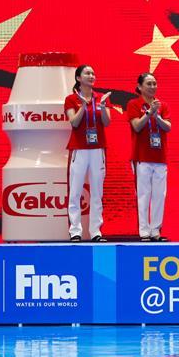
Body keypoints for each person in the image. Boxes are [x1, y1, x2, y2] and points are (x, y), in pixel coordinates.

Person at [64, 64, 112, 242]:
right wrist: (83, 106)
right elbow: (74, 123)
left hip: (97, 149)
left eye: (93, 73)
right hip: (79, 149)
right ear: (78, 78)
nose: (91, 76)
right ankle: (75, 231)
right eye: (87, 73)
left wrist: (104, 106)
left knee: (97, 192)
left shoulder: (101, 98)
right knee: (75, 191)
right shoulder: (71, 99)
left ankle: (96, 232)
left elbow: (107, 122)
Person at [126, 72, 172, 242]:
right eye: (149, 84)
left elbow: (168, 127)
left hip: (160, 156)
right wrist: (148, 113)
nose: (153, 87)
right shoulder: (133, 104)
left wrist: (156, 115)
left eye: (154, 83)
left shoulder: (162, 105)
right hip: (141, 157)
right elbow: (136, 126)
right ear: (139, 87)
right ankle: (144, 231)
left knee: (160, 195)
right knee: (144, 194)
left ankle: (156, 231)